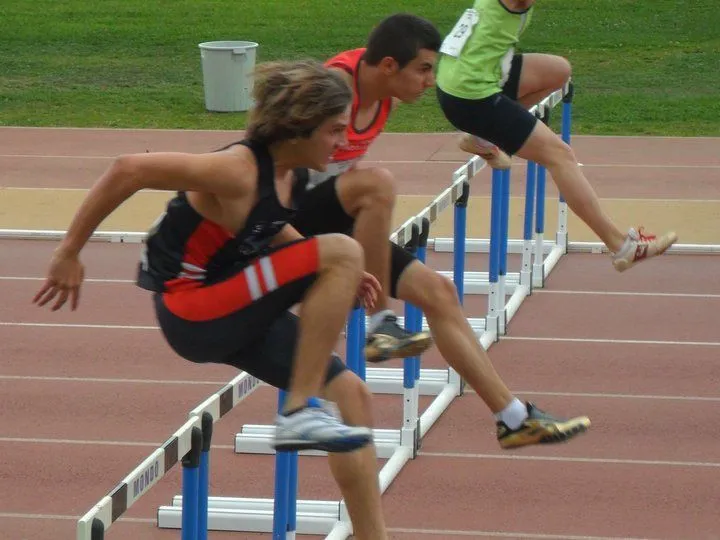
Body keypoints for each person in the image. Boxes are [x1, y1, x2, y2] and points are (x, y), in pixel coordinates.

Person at [32, 60, 393, 539]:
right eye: (331, 130)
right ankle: (298, 411)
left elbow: (265, 223)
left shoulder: (291, 174)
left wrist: (337, 267)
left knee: (353, 396)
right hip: (192, 309)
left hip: (232, 307)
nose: (341, 142)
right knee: (342, 249)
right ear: (298, 127)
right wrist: (68, 253)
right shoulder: (236, 169)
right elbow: (129, 168)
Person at [291, 12, 590, 449]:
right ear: (390, 65)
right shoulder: (332, 91)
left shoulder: (383, 93)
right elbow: (274, 165)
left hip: (329, 217)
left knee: (440, 293)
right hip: (287, 222)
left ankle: (513, 418)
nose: (431, 81)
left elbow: (337, 171)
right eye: (424, 70)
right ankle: (381, 324)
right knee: (376, 183)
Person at [435, 0, 678, 271]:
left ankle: (483, 137)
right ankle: (621, 246)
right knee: (560, 156)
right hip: (471, 96)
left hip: (465, 76)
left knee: (559, 71)